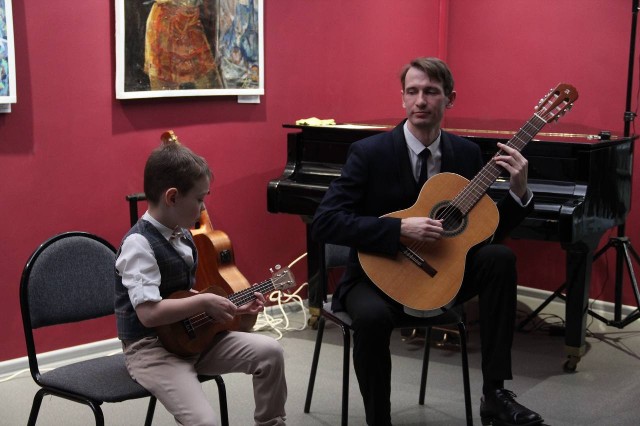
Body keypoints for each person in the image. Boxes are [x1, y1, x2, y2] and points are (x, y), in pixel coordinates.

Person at [311, 57, 544, 426]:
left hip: (439, 277)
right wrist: (398, 230)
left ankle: (495, 394)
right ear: (402, 98)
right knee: (371, 319)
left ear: (449, 98)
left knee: (499, 258)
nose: (421, 100)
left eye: (431, 92)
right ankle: (378, 420)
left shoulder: (466, 154)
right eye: (413, 91)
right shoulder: (370, 153)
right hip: (376, 278)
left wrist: (518, 192)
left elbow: (483, 233)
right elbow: (325, 221)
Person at [115, 140, 287, 426]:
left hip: (194, 339)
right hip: (152, 350)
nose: (203, 206)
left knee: (270, 353)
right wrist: (205, 301)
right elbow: (148, 314)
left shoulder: (183, 235)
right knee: (204, 422)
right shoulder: (138, 244)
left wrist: (232, 309)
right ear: (172, 197)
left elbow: (184, 297)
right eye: (199, 199)